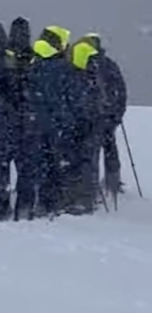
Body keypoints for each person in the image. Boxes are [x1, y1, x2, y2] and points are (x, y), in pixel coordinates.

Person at [25, 25, 73, 218]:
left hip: (35, 123)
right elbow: (68, 97)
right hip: (58, 124)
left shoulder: (34, 63)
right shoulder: (64, 68)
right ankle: (53, 202)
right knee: (56, 164)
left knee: (39, 164)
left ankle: (38, 202)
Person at [0, 17, 33, 220]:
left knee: (0, 164)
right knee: (26, 165)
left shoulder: (1, 55)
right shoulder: (34, 56)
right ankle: (24, 205)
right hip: (27, 120)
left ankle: (1, 205)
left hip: (2, 120)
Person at [82, 33, 127, 198]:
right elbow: (121, 90)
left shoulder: (85, 64)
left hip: (94, 116)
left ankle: (91, 185)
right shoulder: (109, 64)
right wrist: (118, 112)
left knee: (91, 150)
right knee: (109, 147)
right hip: (108, 115)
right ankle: (113, 182)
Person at [65, 37, 103, 214]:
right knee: (86, 161)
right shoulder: (92, 77)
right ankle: (86, 198)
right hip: (89, 125)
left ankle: (73, 198)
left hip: (75, 126)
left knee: (74, 161)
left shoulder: (71, 76)